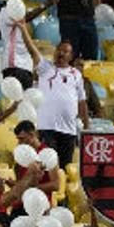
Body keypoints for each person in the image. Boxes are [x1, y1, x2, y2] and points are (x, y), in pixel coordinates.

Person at [22, 23, 90, 168]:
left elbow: (82, 101)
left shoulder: (76, 75)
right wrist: (23, 29)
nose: (61, 53)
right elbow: (32, 50)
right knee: (48, 166)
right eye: (59, 49)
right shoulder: (45, 68)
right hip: (47, 127)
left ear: (71, 56)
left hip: (69, 129)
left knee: (65, 168)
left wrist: (87, 126)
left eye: (65, 51)